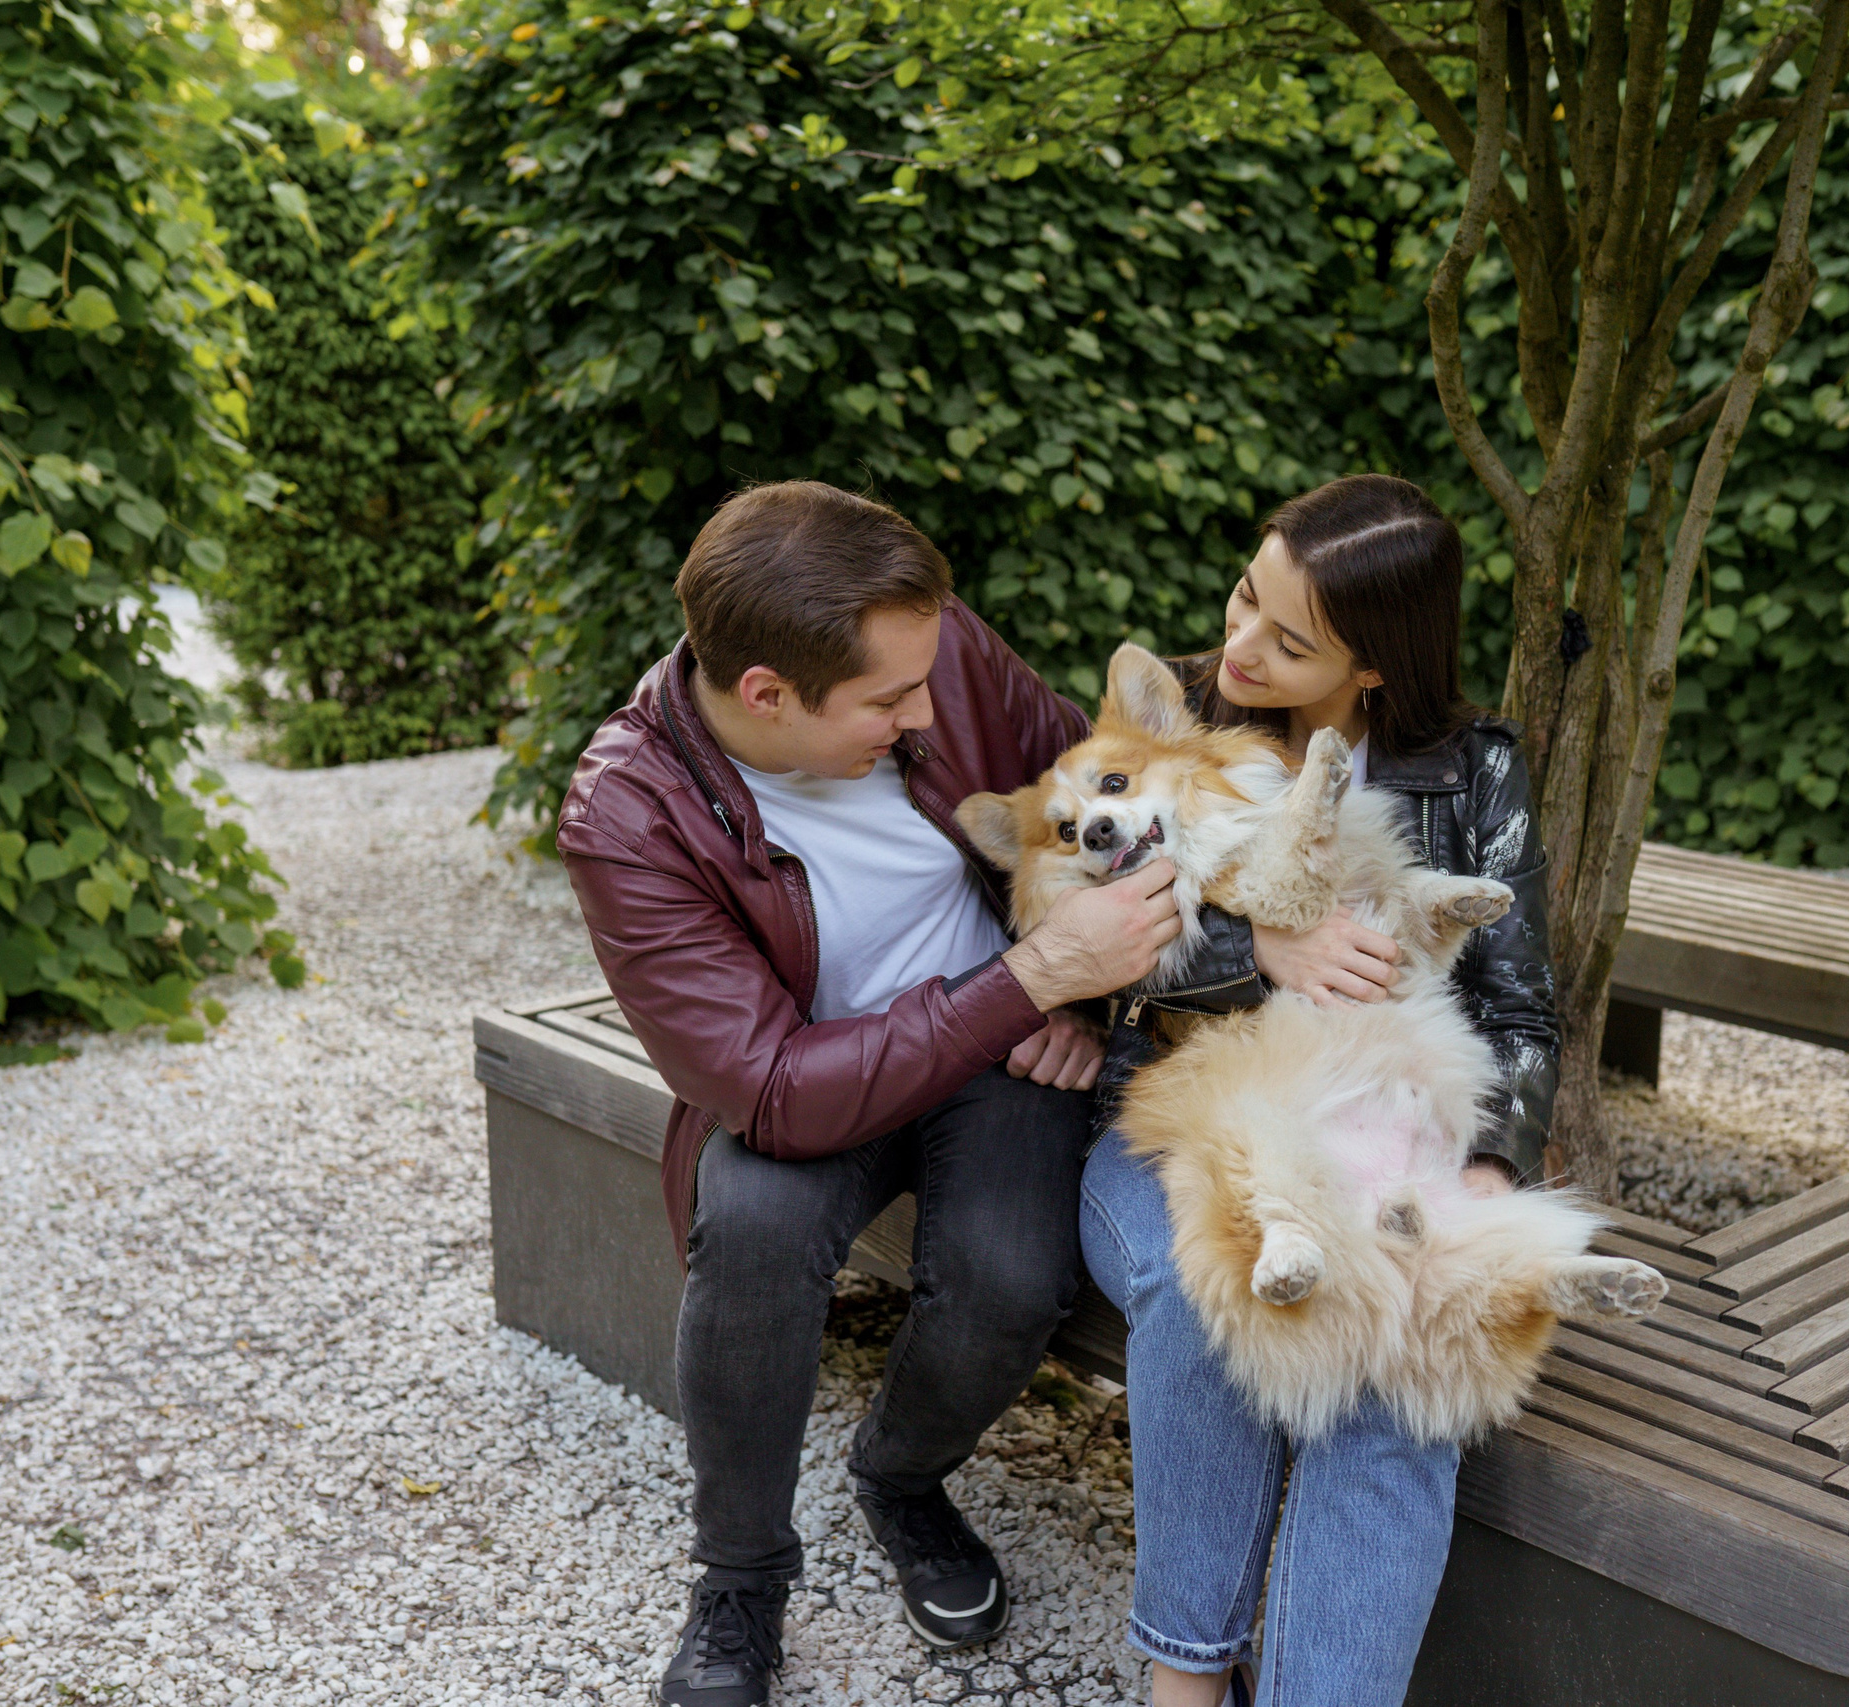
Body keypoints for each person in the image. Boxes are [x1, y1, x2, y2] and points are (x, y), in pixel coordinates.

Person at [557, 480, 1183, 1707]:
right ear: (765, 696)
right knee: (750, 1231)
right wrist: (1030, 982)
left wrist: (1078, 1004)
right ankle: (738, 1581)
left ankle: (898, 1476)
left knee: (1010, 1279)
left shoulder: (928, 652)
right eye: (888, 702)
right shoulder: (627, 812)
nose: (921, 713)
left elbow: (1093, 816)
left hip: (994, 1054)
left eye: (926, 681)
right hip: (808, 1070)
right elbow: (771, 1089)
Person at [1078, 473, 1560, 1706]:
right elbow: (1067, 942)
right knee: (1206, 1281)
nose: (1237, 646)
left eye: (1288, 641)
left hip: (1383, 1133)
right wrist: (1255, 951)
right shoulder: (1162, 717)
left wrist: (1482, 1170)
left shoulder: (1473, 776)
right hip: (1180, 1121)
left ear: (1376, 670)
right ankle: (1185, 1677)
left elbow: (1516, 1008)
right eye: (1246, 597)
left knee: (1407, 1379)